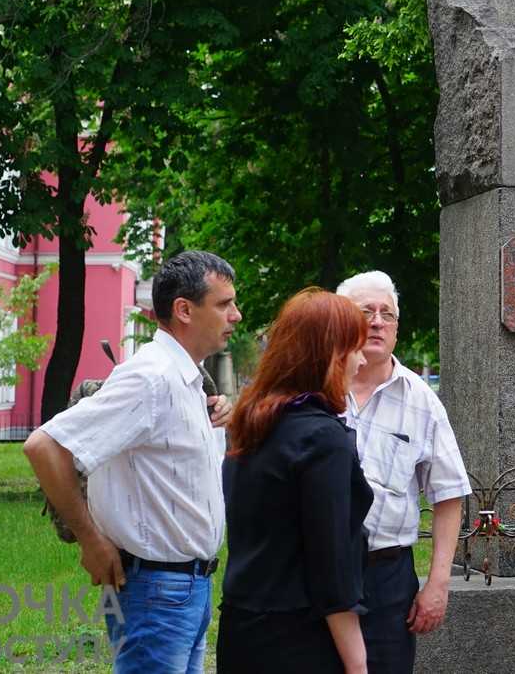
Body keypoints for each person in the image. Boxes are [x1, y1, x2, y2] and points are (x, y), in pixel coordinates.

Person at [24, 250, 239, 674]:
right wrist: (90, 539)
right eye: (223, 303)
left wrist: (217, 415)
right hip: (155, 590)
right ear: (184, 310)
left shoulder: (186, 380)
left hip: (187, 587)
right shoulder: (152, 378)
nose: (235, 315)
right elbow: (43, 446)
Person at [219, 289, 373, 674]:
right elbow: (332, 567)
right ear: (331, 356)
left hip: (242, 628)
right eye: (354, 348)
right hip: (300, 637)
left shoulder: (252, 424)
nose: (361, 358)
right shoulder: (322, 439)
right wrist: (358, 663)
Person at [335, 271, 471, 674]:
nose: (377, 322)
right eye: (365, 312)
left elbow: (448, 494)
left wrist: (438, 583)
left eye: (387, 315)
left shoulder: (423, 402)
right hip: (318, 571)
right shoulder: (314, 390)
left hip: (386, 576)